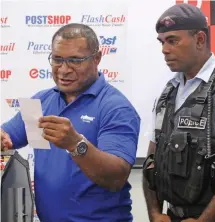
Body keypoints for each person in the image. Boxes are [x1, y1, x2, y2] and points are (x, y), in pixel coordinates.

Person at [1, 23, 141, 222]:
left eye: (75, 60)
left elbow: (115, 178)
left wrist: (75, 144)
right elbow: (8, 136)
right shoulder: (41, 101)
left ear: (97, 59)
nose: (64, 70)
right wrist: (2, 139)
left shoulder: (116, 108)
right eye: (57, 59)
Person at [142, 3, 215, 222]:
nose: (164, 49)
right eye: (162, 42)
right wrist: (155, 213)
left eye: (173, 40)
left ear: (200, 39)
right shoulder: (168, 92)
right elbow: (152, 158)